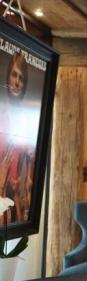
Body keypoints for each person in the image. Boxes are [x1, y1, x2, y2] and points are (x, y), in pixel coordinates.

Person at [0, 52, 34, 223]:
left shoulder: (26, 119)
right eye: (14, 75)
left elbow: (29, 160)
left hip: (15, 201)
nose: (17, 82)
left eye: (21, 78)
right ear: (8, 77)